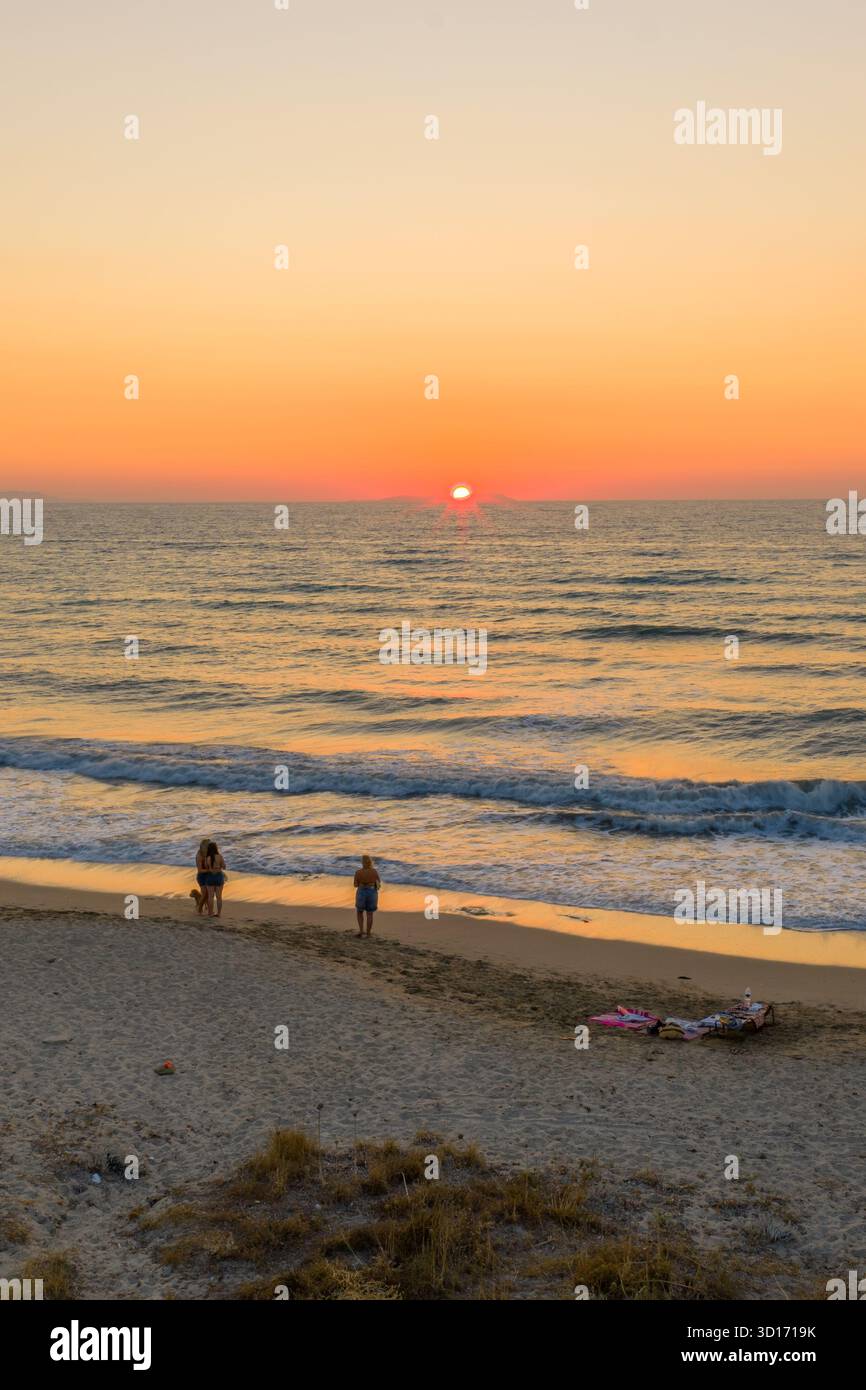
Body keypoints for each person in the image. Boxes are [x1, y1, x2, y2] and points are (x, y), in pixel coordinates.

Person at [353, 854, 381, 938]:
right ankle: (368, 933)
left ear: (362, 862)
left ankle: (361, 931)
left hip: (361, 891)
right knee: (370, 914)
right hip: (372, 891)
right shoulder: (374, 872)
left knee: (359, 912)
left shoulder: (358, 872)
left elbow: (355, 884)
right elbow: (379, 884)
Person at [203, 840, 227, 917]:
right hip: (219, 876)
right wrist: (219, 866)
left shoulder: (207, 858)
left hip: (210, 876)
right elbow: (224, 867)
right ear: (216, 848)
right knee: (219, 897)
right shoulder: (220, 857)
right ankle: (219, 913)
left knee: (210, 896)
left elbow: (206, 867)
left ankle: (210, 913)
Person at [193, 838, 211, 914]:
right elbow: (200, 870)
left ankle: (207, 909)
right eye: (208, 846)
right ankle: (199, 909)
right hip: (202, 877)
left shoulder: (209, 853)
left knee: (208, 894)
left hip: (208, 876)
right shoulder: (199, 856)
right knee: (204, 894)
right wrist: (210, 870)